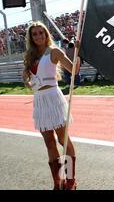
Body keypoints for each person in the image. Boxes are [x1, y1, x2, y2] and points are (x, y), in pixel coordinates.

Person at [22, 21, 80, 190]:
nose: (39, 36)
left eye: (41, 32)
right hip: (39, 100)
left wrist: (76, 52)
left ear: (46, 34)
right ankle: (58, 181)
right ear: (31, 38)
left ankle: (70, 181)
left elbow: (73, 70)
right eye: (35, 34)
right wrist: (28, 77)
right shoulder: (29, 57)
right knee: (49, 142)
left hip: (53, 98)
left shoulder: (54, 51)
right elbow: (28, 82)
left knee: (63, 140)